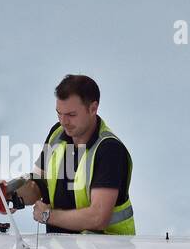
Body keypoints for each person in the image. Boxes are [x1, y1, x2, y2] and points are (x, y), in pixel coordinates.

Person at [9, 74, 134, 234]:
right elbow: (37, 185)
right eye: (59, 113)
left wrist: (48, 216)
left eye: (71, 115)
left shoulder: (109, 150)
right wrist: (12, 193)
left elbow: (98, 218)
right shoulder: (57, 134)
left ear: (93, 108)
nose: (63, 121)